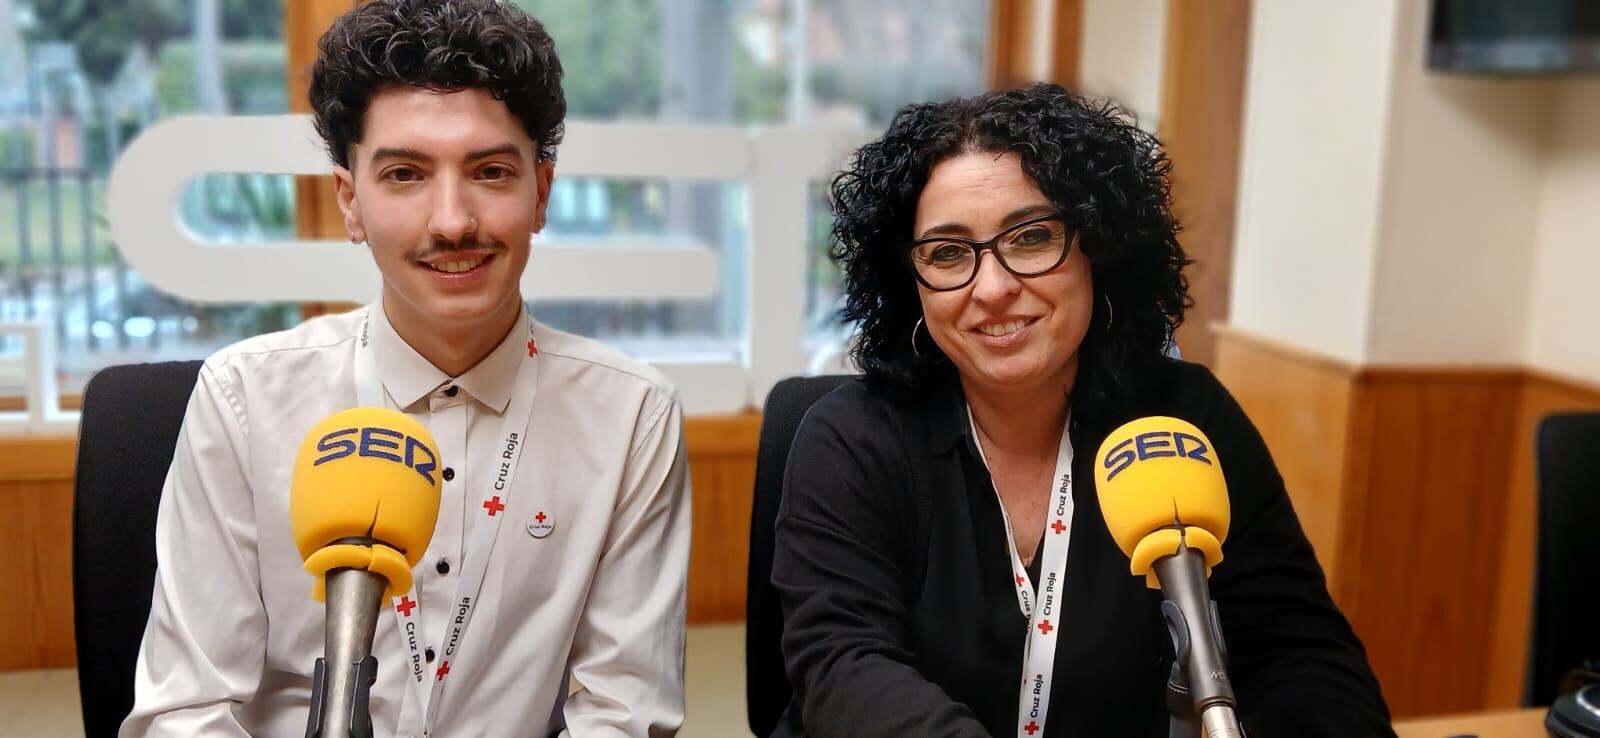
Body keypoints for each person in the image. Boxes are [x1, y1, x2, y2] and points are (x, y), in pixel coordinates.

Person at [121, 1, 691, 735]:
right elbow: (186, 710)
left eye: (490, 171)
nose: (453, 220)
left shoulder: (630, 417)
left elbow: (627, 711)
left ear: (540, 193)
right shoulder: (244, 400)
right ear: (350, 201)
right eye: (405, 174)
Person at [769, 83, 1393, 737]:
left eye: (1032, 238)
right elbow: (845, 665)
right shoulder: (850, 440)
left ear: (1099, 248)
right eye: (948, 253)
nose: (993, 288)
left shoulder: (1188, 422)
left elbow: (1300, 656)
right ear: (909, 284)